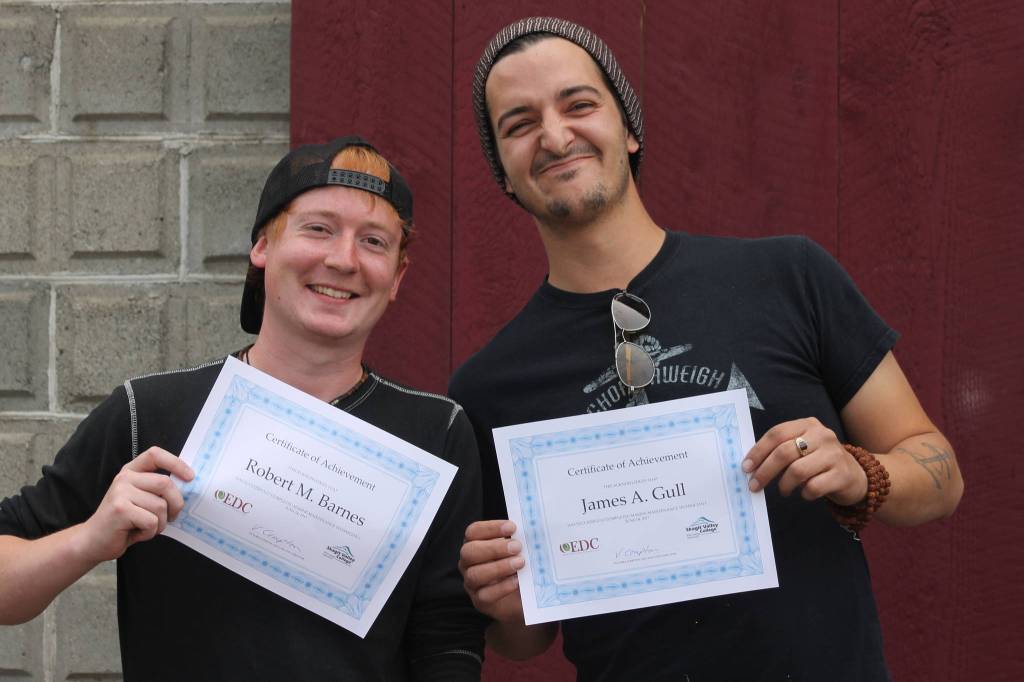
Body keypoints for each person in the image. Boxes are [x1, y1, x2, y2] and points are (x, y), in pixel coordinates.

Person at [450, 17, 963, 682]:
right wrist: (502, 601)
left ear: (628, 128)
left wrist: (861, 474)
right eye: (518, 124)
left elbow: (942, 474)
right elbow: (527, 637)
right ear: (505, 174)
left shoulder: (788, 278)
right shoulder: (490, 386)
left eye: (579, 104)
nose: (553, 136)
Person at [0, 136, 485, 681]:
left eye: (373, 242)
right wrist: (88, 539)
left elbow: (447, 638)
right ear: (263, 247)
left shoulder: (435, 434)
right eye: (318, 228)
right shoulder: (149, 413)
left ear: (396, 277)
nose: (343, 259)